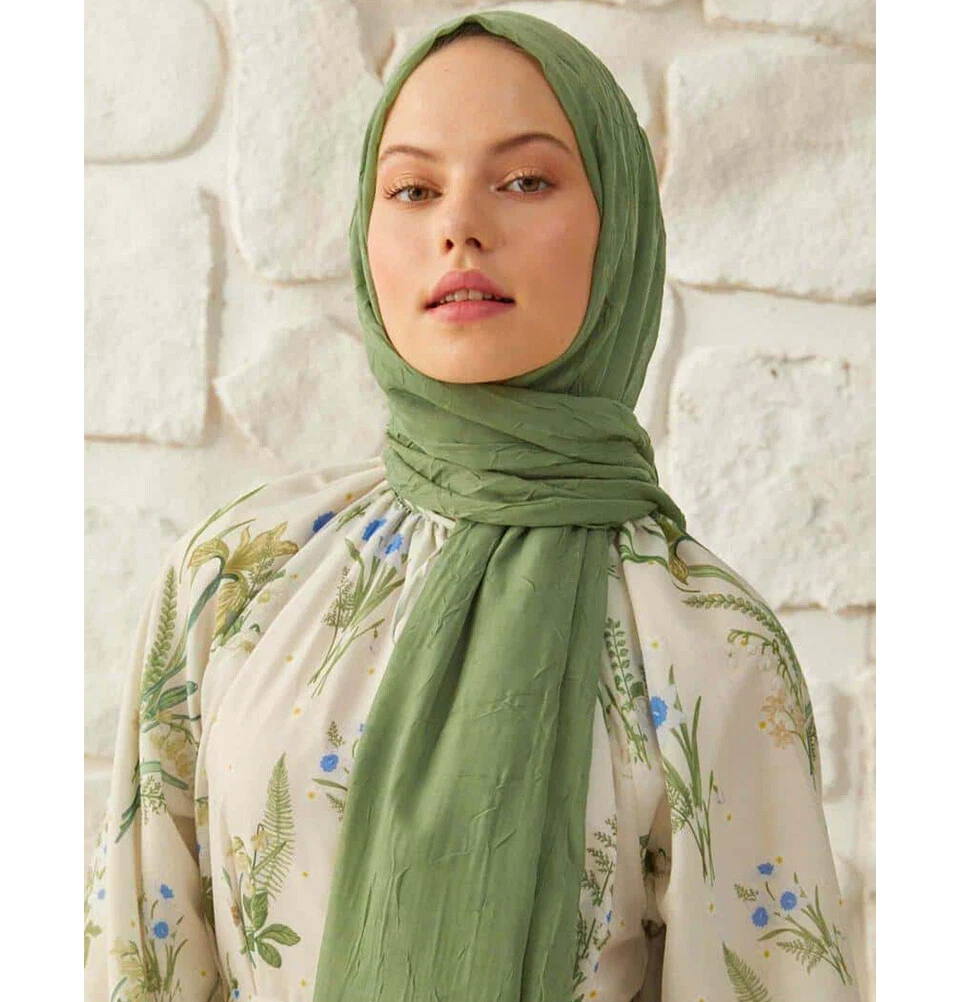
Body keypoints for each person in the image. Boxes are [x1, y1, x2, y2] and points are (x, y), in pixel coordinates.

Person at [83, 11, 862, 1002]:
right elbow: (139, 965)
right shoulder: (239, 577)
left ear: (620, 225)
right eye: (413, 189)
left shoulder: (708, 645)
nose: (460, 226)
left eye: (526, 180)